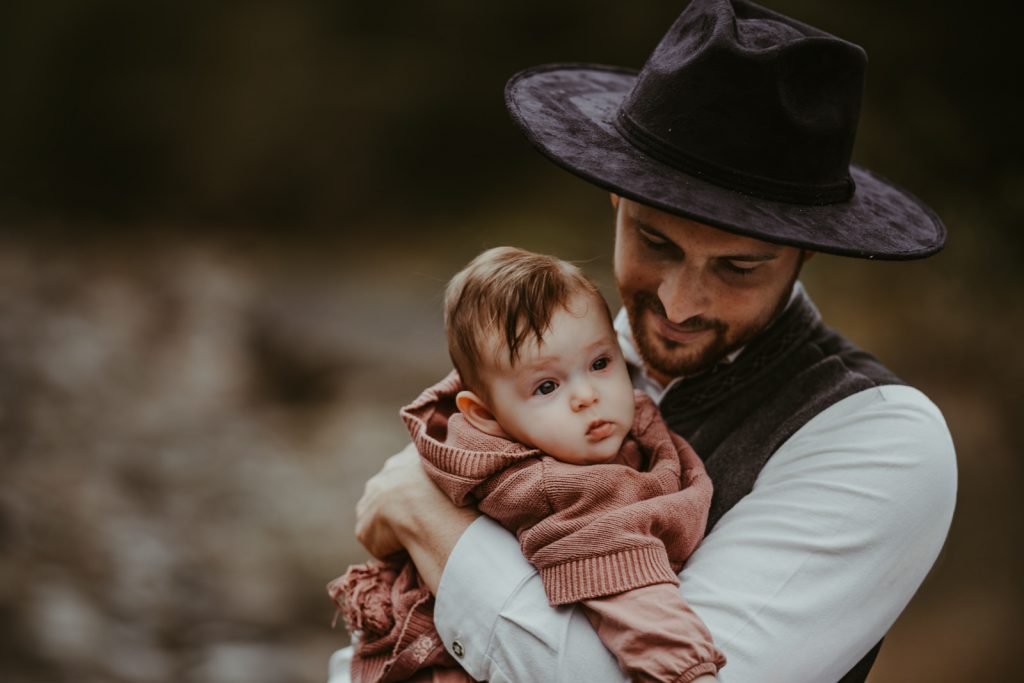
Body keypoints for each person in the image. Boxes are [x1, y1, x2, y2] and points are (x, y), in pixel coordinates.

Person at [332, 0, 957, 681]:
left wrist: (426, 515)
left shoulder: (880, 439)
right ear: (615, 200)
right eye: (655, 241)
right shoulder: (566, 357)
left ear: (806, 253)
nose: (680, 302)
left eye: (737, 267)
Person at [329, 247, 725, 683]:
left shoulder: (567, 438)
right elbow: (630, 589)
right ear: (483, 413)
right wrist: (687, 674)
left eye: (599, 363)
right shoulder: (561, 487)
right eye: (547, 386)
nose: (586, 395)